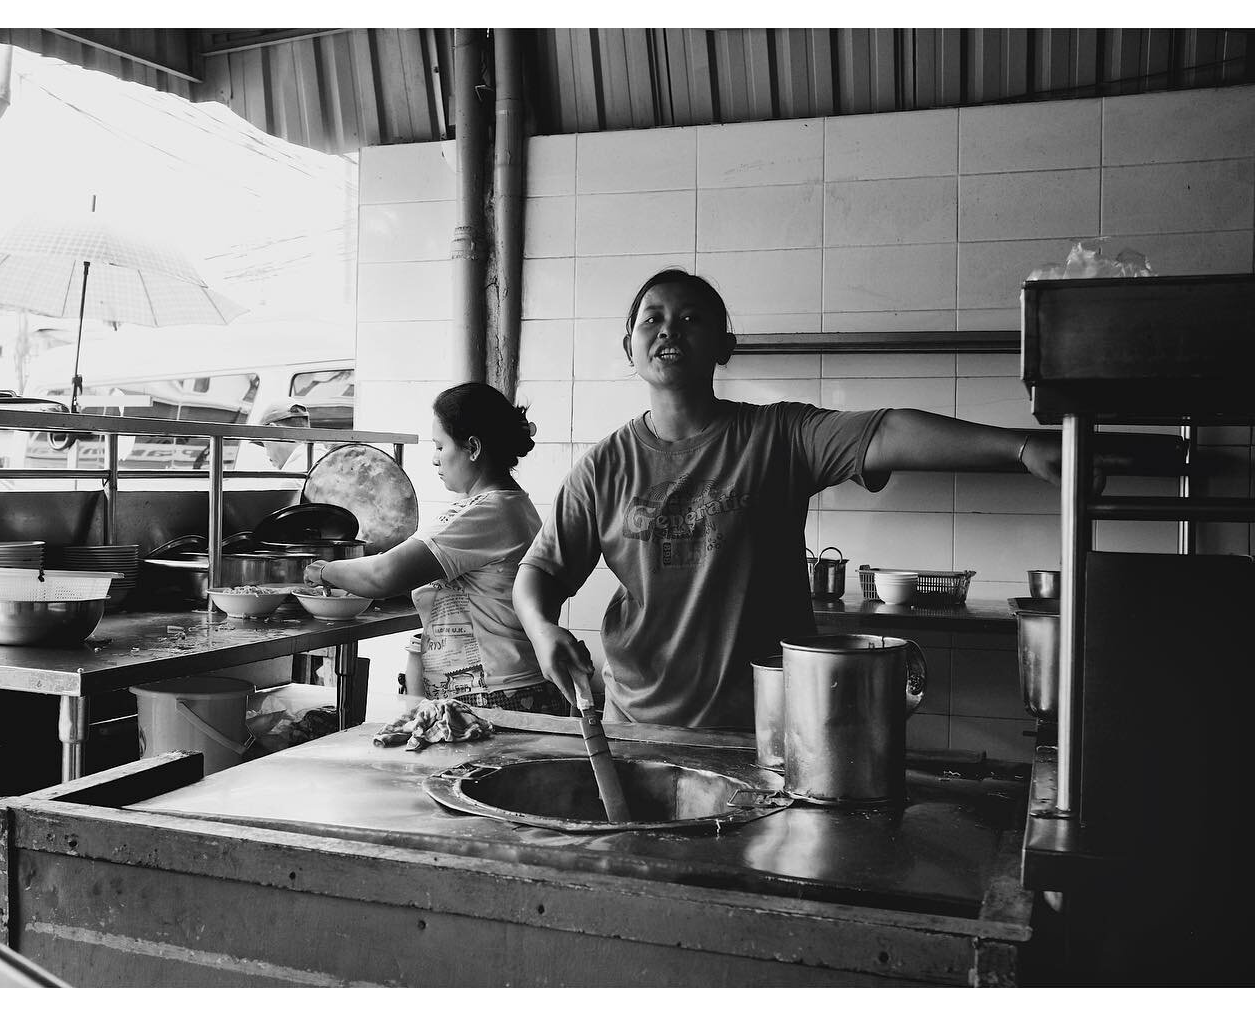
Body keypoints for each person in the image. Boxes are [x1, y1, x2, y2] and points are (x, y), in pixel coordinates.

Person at [513, 267, 1063, 733]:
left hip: (771, 727)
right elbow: (539, 573)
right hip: (640, 727)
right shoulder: (603, 467)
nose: (667, 330)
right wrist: (542, 631)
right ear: (629, 346)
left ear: (725, 345)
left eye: (690, 318)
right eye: (651, 319)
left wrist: (1020, 448)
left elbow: (886, 431)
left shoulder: (778, 435)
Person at [303, 382, 568, 715]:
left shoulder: (487, 512)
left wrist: (322, 571)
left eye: (440, 446)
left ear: (472, 448)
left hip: (499, 696)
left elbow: (383, 575)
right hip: (510, 690)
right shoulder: (510, 506)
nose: (434, 459)